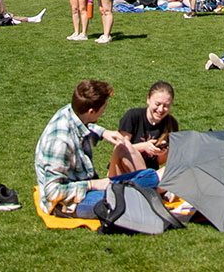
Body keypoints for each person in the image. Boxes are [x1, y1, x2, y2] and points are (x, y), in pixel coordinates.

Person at [34, 79, 148, 218]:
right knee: (125, 199)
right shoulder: (60, 143)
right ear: (91, 111)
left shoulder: (70, 110)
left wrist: (103, 132)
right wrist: (92, 185)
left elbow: (81, 125)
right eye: (104, 108)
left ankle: (149, 187)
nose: (104, 112)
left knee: (142, 179)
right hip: (67, 204)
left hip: (81, 187)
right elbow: (53, 193)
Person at [110, 81, 179, 175]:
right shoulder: (133, 116)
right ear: (148, 100)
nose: (160, 109)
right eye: (157, 104)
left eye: (166, 106)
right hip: (123, 170)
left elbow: (159, 162)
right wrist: (143, 147)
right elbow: (119, 149)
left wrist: (163, 153)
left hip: (149, 173)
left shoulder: (171, 124)